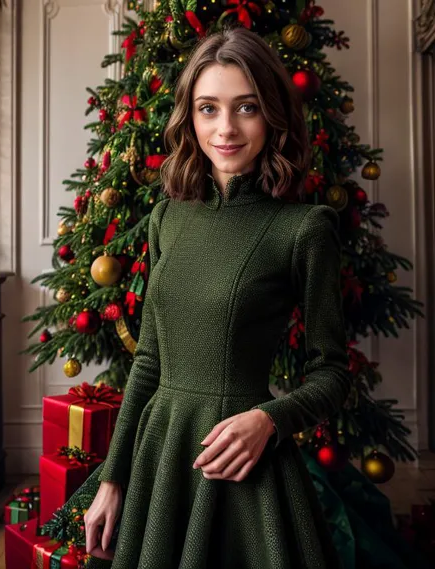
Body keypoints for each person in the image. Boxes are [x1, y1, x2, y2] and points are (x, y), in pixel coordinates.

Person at [80, 24, 351, 568]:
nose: (225, 128)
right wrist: (114, 479)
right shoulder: (167, 218)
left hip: (243, 468)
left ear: (271, 114)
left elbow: (333, 373)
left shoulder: (304, 228)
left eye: (245, 107)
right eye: (208, 108)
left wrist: (270, 419)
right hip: (161, 460)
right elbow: (150, 361)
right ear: (190, 117)